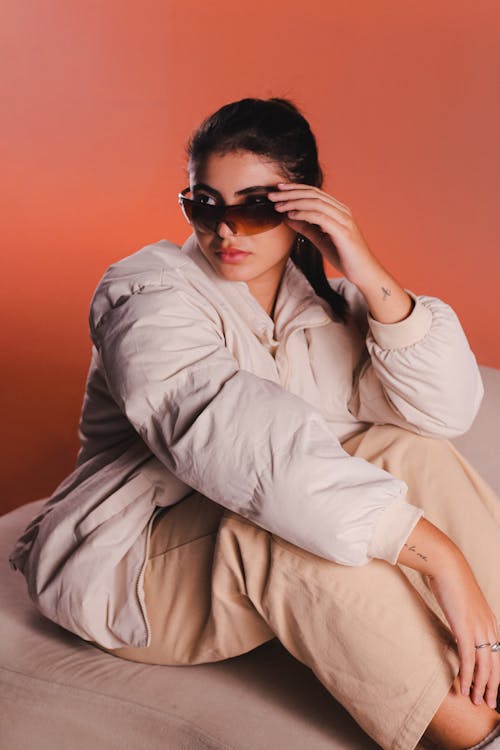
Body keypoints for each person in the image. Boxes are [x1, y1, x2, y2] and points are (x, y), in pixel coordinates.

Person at [9, 97, 500, 750]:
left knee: (409, 447)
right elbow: (236, 440)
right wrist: (435, 556)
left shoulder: (321, 305)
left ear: (305, 207)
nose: (226, 232)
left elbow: (444, 410)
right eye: (204, 204)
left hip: (213, 545)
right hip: (132, 565)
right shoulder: (144, 295)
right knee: (277, 533)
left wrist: (361, 263)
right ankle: (476, 735)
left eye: (254, 208)